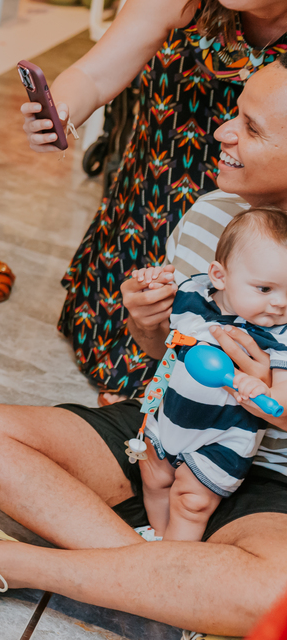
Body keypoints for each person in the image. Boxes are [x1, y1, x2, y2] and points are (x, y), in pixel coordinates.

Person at [0, 60, 287, 636]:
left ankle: (17, 564)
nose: (223, 131)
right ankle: (180, 592)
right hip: (170, 429)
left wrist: (269, 391)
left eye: (251, 129)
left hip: (272, 480)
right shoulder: (212, 217)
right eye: (235, 115)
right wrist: (146, 323)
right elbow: (163, 358)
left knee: (275, 595)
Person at [23, 0, 287, 402]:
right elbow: (98, 72)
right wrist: (62, 112)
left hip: (247, 213)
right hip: (152, 190)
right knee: (131, 337)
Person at [130, 207, 287, 542]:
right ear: (219, 276)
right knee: (153, 477)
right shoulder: (193, 297)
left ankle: (174, 557)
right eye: (264, 289)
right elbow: (163, 331)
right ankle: (157, 539)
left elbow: (282, 401)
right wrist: (150, 284)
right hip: (170, 416)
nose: (280, 305)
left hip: (225, 436)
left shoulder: (278, 338)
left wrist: (259, 386)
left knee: (192, 502)